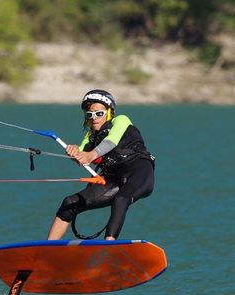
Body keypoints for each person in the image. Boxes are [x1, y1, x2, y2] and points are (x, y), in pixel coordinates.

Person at [47, 89, 155, 240]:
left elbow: (110, 142)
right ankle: (47, 249)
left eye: (99, 113)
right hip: (113, 179)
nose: (94, 118)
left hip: (138, 171)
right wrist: (73, 151)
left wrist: (90, 155)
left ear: (109, 112)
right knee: (69, 203)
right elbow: (81, 155)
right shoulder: (90, 136)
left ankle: (108, 245)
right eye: (90, 114)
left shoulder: (121, 120)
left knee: (121, 199)